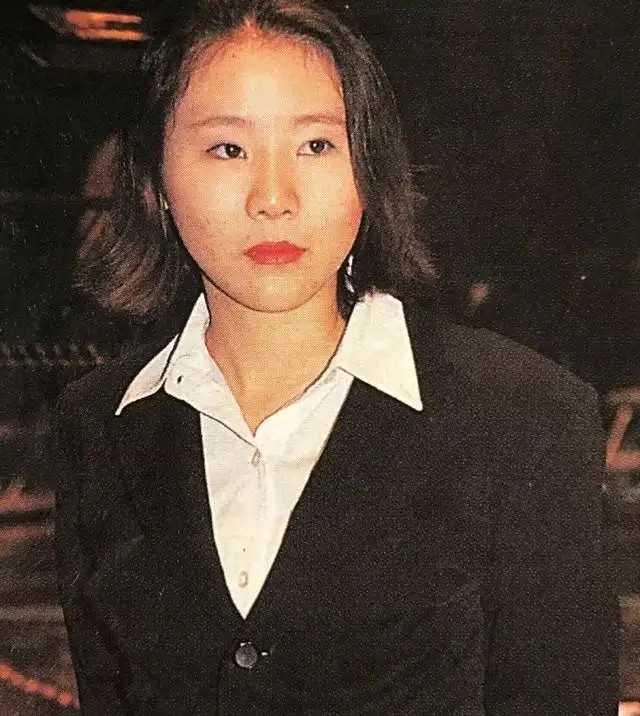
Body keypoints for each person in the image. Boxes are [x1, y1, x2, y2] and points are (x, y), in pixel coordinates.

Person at [52, 1, 618, 713]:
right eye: (227, 149)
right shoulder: (97, 425)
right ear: (156, 179)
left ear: (369, 169)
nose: (273, 198)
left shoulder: (523, 418)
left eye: (316, 145)